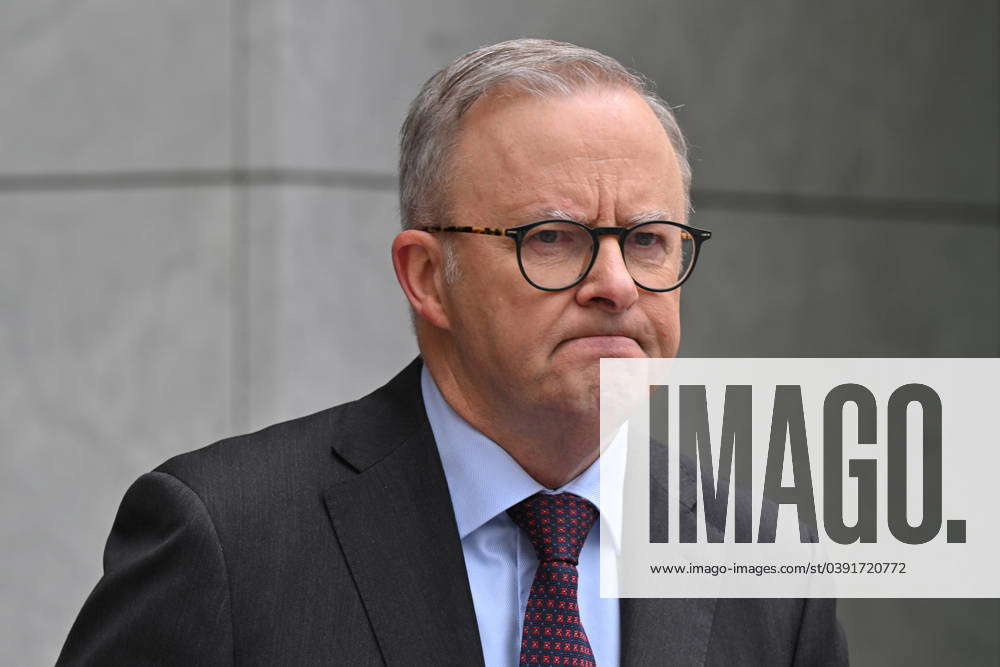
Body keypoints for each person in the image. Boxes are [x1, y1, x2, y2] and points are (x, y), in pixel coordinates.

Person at [58, 39, 848, 665]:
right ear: (428, 276)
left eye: (647, 240)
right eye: (553, 237)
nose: (616, 282)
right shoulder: (226, 539)